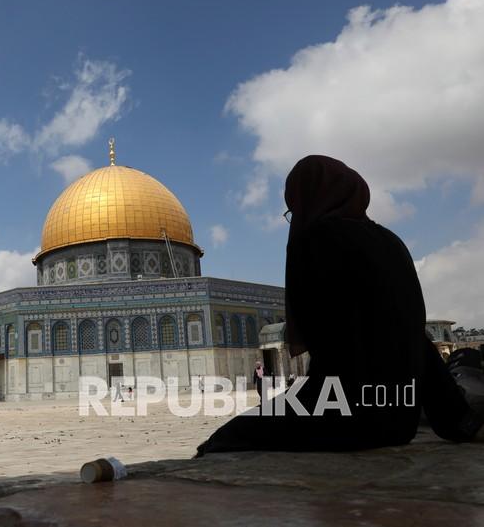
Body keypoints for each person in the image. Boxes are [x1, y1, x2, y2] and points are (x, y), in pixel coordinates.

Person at [196, 155, 483, 455]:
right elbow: (413, 336)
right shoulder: (392, 242)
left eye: (295, 209)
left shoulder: (318, 240)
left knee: (221, 442)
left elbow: (330, 346)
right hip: (399, 420)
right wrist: (459, 420)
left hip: (345, 417)